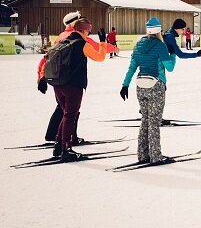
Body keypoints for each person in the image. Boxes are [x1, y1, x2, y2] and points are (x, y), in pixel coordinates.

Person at [36, 11, 117, 143]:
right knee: (70, 113)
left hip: (58, 81)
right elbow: (97, 51)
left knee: (64, 111)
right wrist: (110, 46)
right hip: (72, 81)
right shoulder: (80, 39)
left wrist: (41, 77)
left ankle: (56, 136)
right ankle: (67, 140)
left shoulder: (61, 37)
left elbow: (47, 58)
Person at [120, 17, 176, 163]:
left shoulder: (138, 44)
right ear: (158, 31)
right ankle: (156, 156)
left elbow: (132, 67)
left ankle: (143, 154)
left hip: (140, 86)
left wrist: (125, 85)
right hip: (156, 86)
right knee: (154, 123)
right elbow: (169, 67)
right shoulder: (160, 46)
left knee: (145, 120)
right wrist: (173, 55)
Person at [52, 18, 107, 161]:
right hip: (73, 86)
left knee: (66, 114)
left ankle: (58, 145)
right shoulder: (82, 44)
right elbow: (100, 57)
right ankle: (66, 149)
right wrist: (102, 42)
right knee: (70, 116)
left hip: (58, 85)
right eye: (88, 30)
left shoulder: (63, 42)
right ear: (85, 30)